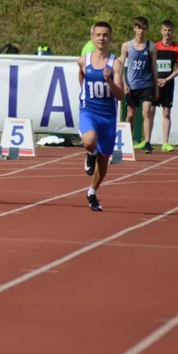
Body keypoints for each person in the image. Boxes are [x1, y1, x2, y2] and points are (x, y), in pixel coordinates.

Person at [78, 21, 125, 212]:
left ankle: (92, 192)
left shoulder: (116, 64)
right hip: (89, 111)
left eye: (105, 35)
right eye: (98, 35)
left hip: (108, 116)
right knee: (89, 141)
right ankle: (91, 153)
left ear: (110, 39)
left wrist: (108, 80)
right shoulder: (84, 60)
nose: (101, 39)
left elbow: (120, 95)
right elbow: (81, 75)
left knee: (105, 159)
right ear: (92, 38)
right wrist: (83, 93)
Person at [120, 16, 159, 154]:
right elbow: (120, 66)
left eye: (144, 29)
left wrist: (156, 88)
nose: (141, 31)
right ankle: (127, 140)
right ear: (134, 28)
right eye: (139, 28)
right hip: (131, 84)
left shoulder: (151, 46)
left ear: (147, 30)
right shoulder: (126, 46)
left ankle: (147, 142)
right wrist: (124, 83)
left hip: (147, 83)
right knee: (130, 114)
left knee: (146, 111)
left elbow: (154, 67)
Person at [155, 20, 178, 152]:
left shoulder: (176, 48)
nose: (167, 33)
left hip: (168, 83)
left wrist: (166, 79)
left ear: (173, 32)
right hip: (155, 83)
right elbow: (151, 66)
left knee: (166, 112)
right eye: (165, 30)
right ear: (161, 31)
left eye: (170, 30)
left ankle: (165, 142)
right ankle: (146, 140)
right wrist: (157, 79)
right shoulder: (155, 47)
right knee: (148, 110)